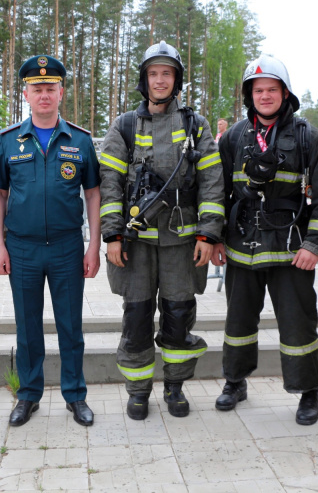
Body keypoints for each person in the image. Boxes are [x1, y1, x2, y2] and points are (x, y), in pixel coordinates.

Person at [211, 55, 318, 425]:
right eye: (257, 90)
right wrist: (216, 237)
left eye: (271, 89)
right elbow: (218, 191)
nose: (264, 96)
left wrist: (315, 245)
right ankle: (234, 383)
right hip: (241, 247)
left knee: (299, 326)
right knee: (237, 323)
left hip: (291, 250)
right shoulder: (234, 136)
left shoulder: (308, 137)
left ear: (285, 93)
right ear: (249, 95)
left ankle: (308, 392)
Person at [99, 41, 224, 420]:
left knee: (178, 315)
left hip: (181, 242)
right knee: (136, 318)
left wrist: (207, 233)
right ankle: (138, 391)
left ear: (177, 79)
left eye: (166, 73)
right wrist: (112, 234)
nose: (160, 80)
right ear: (144, 79)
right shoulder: (123, 126)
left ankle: (175, 387)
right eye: (153, 73)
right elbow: (109, 184)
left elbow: (212, 182)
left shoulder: (195, 125)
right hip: (134, 244)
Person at [0, 54, 101, 427]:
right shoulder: (9, 141)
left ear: (61, 93)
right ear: (26, 93)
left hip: (68, 247)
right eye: (37, 89)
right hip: (21, 248)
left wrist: (93, 245)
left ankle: (75, 395)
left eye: (50, 89)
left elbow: (93, 195)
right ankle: (28, 395)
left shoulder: (81, 141)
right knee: (28, 327)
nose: (44, 95)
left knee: (71, 326)